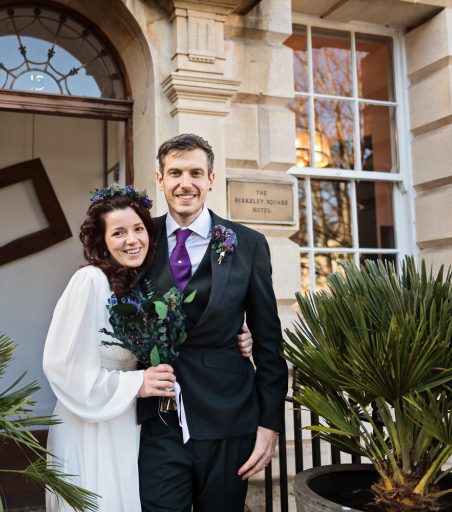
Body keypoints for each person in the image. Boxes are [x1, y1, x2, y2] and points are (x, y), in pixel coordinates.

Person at [43, 188, 254, 511]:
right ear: (101, 241)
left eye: (138, 229)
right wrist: (136, 383)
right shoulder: (89, 281)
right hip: (91, 425)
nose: (132, 240)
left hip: (127, 424)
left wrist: (236, 333)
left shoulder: (137, 285)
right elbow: (61, 366)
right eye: (118, 232)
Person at [137, 134, 289, 512]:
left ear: (211, 179)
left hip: (228, 416)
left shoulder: (248, 243)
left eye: (194, 172)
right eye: (175, 173)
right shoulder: (139, 240)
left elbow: (269, 341)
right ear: (160, 179)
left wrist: (269, 425)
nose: (184, 182)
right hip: (160, 418)